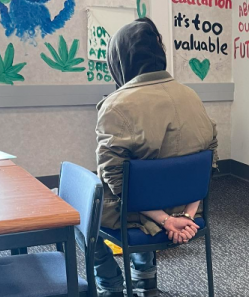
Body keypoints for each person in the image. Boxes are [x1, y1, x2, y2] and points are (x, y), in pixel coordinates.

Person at [94, 17, 219, 296]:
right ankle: (146, 280)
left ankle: (110, 285)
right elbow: (208, 162)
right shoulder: (191, 96)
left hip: (139, 215)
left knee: (78, 208)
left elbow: (116, 183)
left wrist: (165, 221)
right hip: (188, 209)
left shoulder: (114, 105)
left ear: (120, 60)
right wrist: (185, 215)